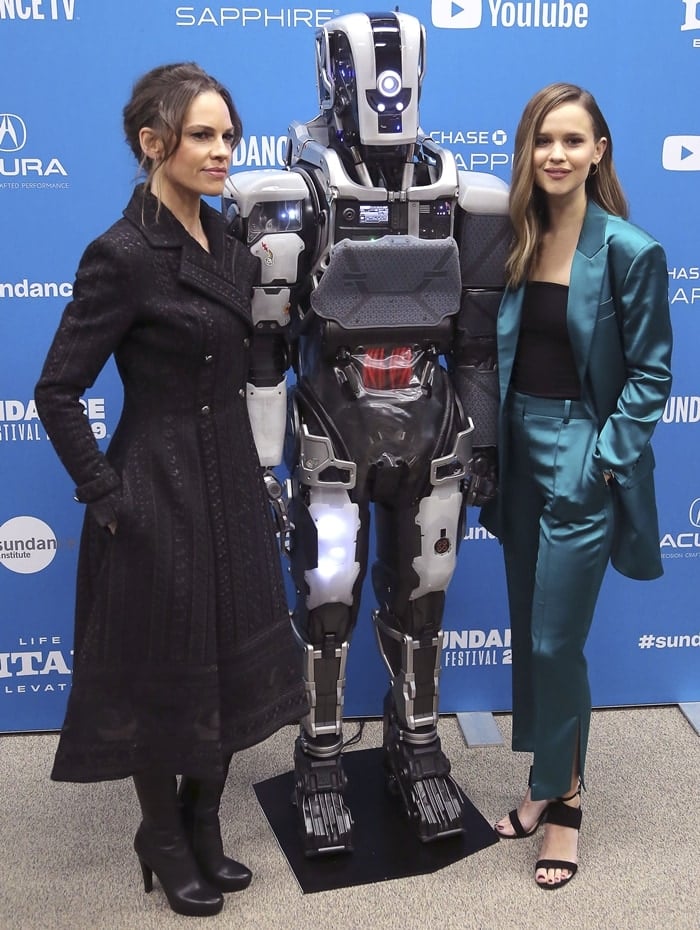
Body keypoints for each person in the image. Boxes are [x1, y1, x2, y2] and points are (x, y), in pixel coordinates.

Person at [222, 11, 510, 855]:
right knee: (327, 600)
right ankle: (318, 758)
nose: (387, 94)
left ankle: (416, 747)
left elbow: (478, 342)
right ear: (331, 78)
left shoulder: (467, 193)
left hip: (433, 421)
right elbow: (266, 349)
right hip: (331, 424)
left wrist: (482, 442)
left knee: (424, 597)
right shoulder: (286, 194)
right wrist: (261, 465)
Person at [34, 62, 308, 917]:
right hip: (156, 493)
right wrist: (107, 496)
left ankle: (203, 819)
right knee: (165, 675)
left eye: (227, 134)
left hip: (230, 481)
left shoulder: (228, 241)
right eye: (201, 135)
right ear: (153, 143)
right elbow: (56, 389)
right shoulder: (121, 254)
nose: (222, 150)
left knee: (225, 666)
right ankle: (160, 833)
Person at [480, 82, 673, 889]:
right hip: (516, 447)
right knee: (531, 627)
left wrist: (601, 455)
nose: (555, 154)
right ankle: (540, 781)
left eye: (571, 140)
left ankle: (565, 804)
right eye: (541, 140)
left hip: (582, 449)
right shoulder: (510, 240)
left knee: (559, 638)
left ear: (599, 152)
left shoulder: (628, 249)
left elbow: (652, 375)